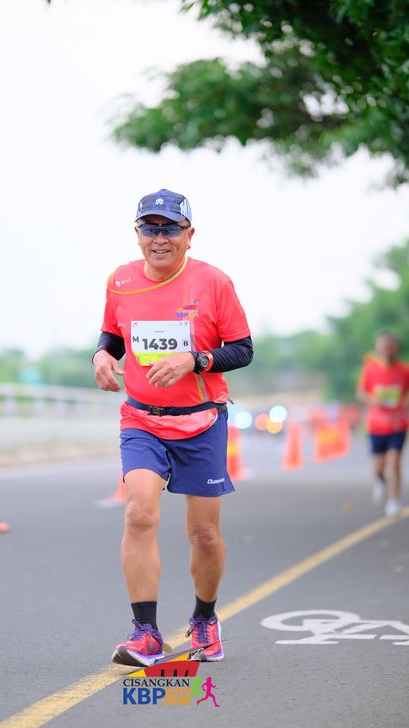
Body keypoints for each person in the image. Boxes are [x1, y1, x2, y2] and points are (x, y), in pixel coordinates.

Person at [92, 188, 253, 667]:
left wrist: (194, 360)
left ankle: (205, 619)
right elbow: (113, 334)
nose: (159, 238)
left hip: (201, 420)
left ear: (189, 234)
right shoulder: (120, 280)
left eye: (170, 228)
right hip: (142, 419)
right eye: (150, 228)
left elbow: (243, 349)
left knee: (203, 532)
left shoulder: (214, 282)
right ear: (137, 233)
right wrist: (101, 355)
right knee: (138, 513)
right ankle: (145, 634)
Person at [356, 332, 409, 516]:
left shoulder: (407, 370)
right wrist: (373, 400)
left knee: (395, 461)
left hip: (398, 423)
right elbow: (360, 393)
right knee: (379, 468)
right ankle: (380, 480)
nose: (387, 349)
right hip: (376, 425)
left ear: (396, 348)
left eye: (391, 346)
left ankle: (393, 501)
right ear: (378, 347)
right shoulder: (370, 369)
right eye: (383, 346)